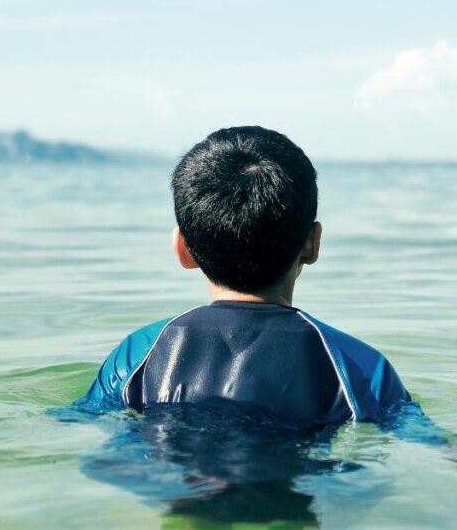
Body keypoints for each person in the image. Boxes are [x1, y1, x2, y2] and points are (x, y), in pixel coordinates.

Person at [76, 126, 411, 424]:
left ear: (183, 249)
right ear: (313, 244)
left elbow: (75, 422)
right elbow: (433, 445)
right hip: (296, 491)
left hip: (174, 488)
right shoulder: (360, 369)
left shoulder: (139, 354)